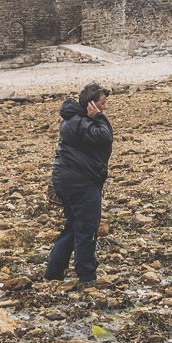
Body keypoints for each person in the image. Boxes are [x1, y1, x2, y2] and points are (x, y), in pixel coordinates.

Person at [45, 82, 113, 285]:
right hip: (80, 182)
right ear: (91, 104)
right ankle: (86, 274)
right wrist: (98, 117)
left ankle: (54, 272)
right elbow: (106, 137)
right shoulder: (81, 122)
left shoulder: (76, 120)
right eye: (102, 103)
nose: (104, 107)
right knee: (87, 228)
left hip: (70, 180)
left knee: (74, 226)